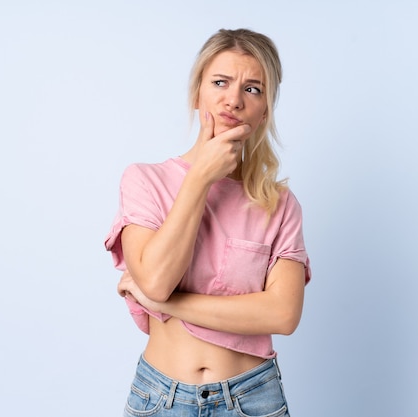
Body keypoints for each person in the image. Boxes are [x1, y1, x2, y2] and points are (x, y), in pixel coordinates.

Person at [104, 28, 311, 417]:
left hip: (253, 398)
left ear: (265, 109)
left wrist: (167, 305)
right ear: (198, 92)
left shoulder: (279, 204)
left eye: (252, 89)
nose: (233, 99)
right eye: (220, 82)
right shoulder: (144, 181)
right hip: (160, 399)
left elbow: (283, 315)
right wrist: (200, 178)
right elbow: (156, 281)